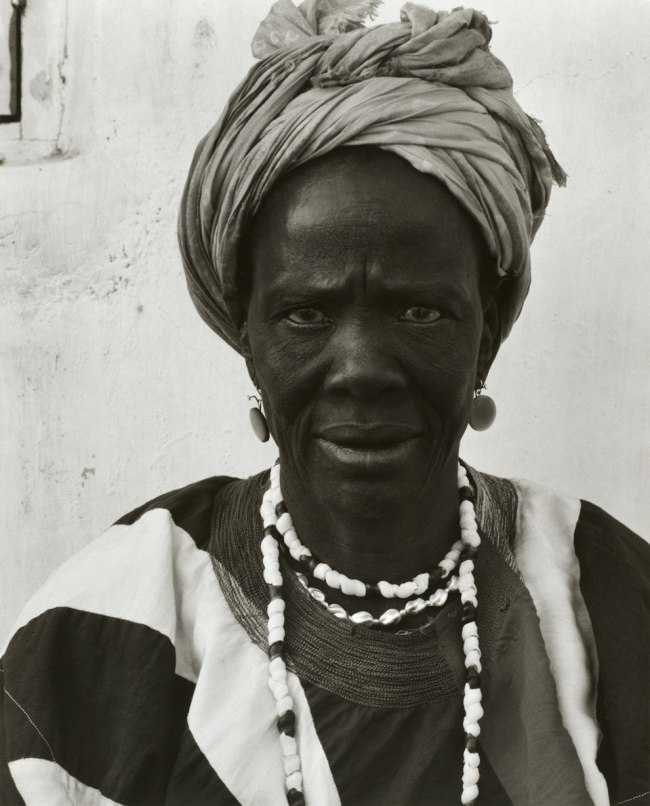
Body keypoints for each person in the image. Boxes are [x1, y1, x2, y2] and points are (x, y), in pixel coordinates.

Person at [1, 2, 648, 805]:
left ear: (487, 335)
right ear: (248, 337)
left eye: (420, 311)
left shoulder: (605, 597)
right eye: (305, 314)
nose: (362, 368)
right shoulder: (114, 628)